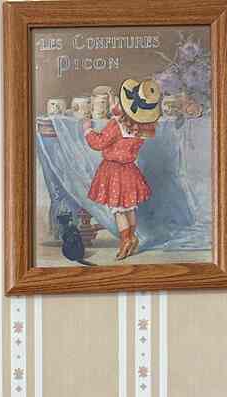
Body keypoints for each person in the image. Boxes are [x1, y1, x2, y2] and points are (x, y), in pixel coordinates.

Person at [82, 78, 161, 260]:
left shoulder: (116, 126)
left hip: (113, 171)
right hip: (130, 171)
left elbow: (98, 143)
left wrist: (87, 130)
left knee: (118, 210)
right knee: (129, 207)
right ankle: (132, 237)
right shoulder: (143, 128)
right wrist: (114, 106)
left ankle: (125, 240)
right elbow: (125, 117)